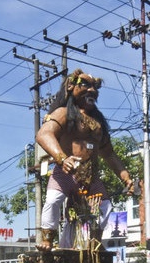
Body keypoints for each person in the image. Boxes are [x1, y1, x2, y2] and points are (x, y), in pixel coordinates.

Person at [35, 68, 134, 252]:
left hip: (90, 177)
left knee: (105, 208)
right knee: (53, 200)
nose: (91, 90)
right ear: (71, 87)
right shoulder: (63, 113)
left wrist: (126, 178)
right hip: (65, 172)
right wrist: (62, 158)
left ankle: (94, 243)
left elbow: (109, 154)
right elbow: (44, 134)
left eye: (94, 87)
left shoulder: (98, 124)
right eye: (85, 85)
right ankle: (48, 239)